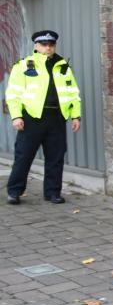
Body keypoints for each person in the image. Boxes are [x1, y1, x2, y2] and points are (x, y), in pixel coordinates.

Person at [5, 30, 82, 205]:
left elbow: (73, 93)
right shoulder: (23, 66)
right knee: (24, 156)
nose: (48, 48)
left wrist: (76, 116)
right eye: (44, 44)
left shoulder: (63, 67)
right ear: (36, 46)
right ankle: (14, 191)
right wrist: (16, 116)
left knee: (55, 157)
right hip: (32, 119)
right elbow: (13, 94)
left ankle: (53, 192)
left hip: (56, 118)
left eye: (51, 44)